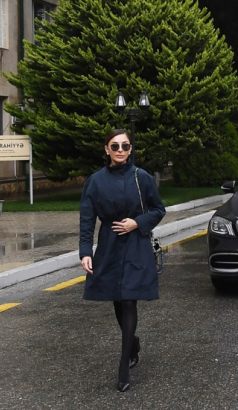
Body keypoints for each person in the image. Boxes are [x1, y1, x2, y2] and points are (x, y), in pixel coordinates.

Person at [79, 128, 166, 392]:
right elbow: (86, 218)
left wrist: (136, 222)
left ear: (130, 149)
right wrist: (85, 251)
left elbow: (159, 209)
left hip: (137, 244)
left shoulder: (142, 177)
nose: (120, 150)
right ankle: (133, 342)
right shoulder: (94, 181)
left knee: (129, 298)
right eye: (115, 146)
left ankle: (123, 365)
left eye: (125, 146)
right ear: (106, 149)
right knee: (117, 298)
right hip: (109, 245)